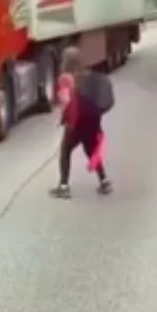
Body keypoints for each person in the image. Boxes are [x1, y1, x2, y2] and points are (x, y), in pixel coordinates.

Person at [50, 46, 113, 199]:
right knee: (91, 150)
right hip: (92, 122)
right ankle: (104, 182)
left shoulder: (66, 79)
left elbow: (66, 102)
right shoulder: (90, 75)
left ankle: (63, 186)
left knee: (65, 150)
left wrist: (63, 120)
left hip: (76, 122)